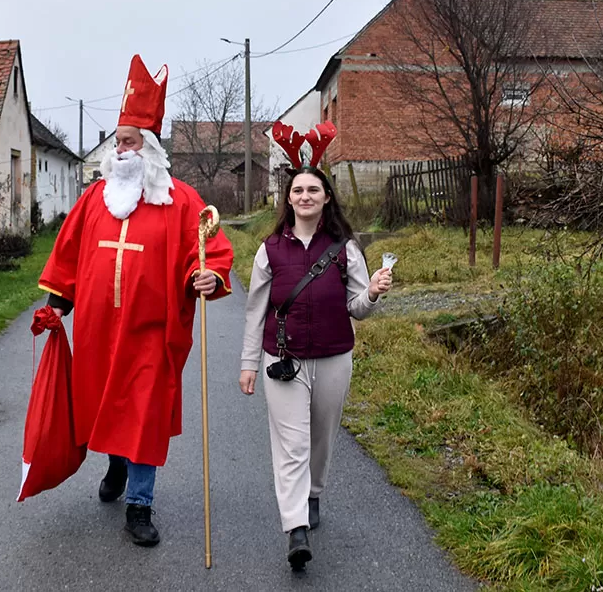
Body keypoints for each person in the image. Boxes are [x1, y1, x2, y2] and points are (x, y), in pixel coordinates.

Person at [37, 54, 234, 548]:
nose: (121, 150)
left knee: (143, 411)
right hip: (99, 331)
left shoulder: (180, 200)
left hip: (152, 334)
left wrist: (207, 275)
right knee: (105, 403)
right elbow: (67, 253)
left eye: (130, 141)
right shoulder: (95, 198)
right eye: (118, 141)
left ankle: (140, 505)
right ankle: (116, 465)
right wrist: (57, 304)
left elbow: (209, 249)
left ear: (151, 147)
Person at [238, 121, 392, 570]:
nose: (305, 196)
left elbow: (357, 308)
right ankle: (296, 528)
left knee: (321, 437)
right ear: (288, 199)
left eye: (313, 190)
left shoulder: (346, 249)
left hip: (333, 358)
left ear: (326, 198)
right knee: (291, 444)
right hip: (282, 359)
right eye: (298, 190)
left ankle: (314, 494)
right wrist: (249, 363)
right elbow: (255, 311)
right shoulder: (269, 249)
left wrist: (373, 292)